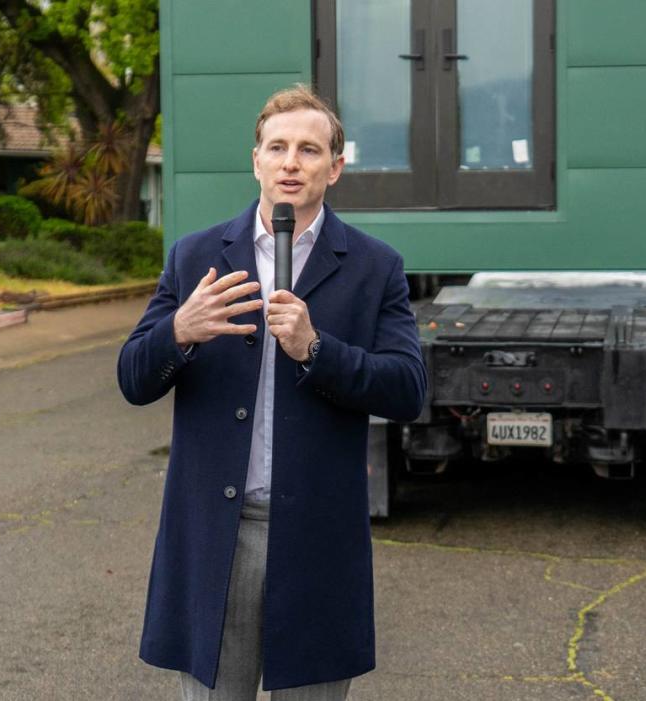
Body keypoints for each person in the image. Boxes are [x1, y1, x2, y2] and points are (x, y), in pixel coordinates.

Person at [117, 85, 426, 700]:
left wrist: (317, 348)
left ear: (334, 168)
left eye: (309, 150)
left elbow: (407, 390)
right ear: (255, 159)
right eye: (277, 147)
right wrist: (179, 331)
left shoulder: (374, 266)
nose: (291, 162)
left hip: (314, 537)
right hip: (213, 535)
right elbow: (132, 378)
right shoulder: (195, 257)